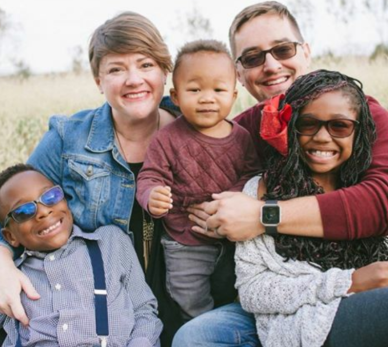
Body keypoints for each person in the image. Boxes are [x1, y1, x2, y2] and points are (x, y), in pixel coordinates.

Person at [174, 1, 388, 346]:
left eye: (282, 49)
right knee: (197, 336)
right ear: (239, 75)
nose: (271, 66)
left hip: (361, 282)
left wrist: (263, 215)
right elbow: (185, 149)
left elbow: (380, 203)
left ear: (305, 52)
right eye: (253, 58)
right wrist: (215, 212)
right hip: (284, 294)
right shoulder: (240, 133)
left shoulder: (361, 116)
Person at [0, 11, 182, 346]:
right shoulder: (68, 138)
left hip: (177, 303)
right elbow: (9, 209)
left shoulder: (197, 132)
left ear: (166, 70)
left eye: (146, 64)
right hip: (98, 306)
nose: (133, 79)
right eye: (116, 69)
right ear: (98, 81)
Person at [235, 70, 388, 347]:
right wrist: (349, 282)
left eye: (339, 126)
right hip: (305, 325)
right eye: (307, 124)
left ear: (359, 131)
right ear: (290, 127)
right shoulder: (260, 191)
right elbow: (252, 291)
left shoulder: (365, 189)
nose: (321, 137)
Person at [137, 40, 256, 321]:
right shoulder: (167, 138)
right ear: (176, 96)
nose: (207, 98)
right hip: (185, 242)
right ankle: (199, 330)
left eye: (218, 89)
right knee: (188, 297)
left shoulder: (241, 138)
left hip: (231, 240)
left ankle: (227, 329)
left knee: (232, 291)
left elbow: (252, 175)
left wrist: (232, 199)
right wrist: (151, 194)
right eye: (195, 90)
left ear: (234, 95)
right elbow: (150, 174)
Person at [0, 163, 162, 346]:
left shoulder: (111, 242)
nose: (44, 211)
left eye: (51, 196)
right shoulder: (9, 280)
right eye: (24, 212)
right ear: (10, 236)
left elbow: (144, 312)